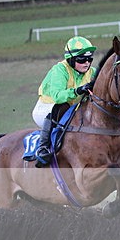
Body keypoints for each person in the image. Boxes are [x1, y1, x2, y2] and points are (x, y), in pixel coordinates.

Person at [31, 36, 97, 166]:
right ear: (70, 59)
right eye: (82, 59)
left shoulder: (92, 72)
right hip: (47, 108)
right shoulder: (59, 70)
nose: (87, 63)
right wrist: (78, 90)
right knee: (59, 107)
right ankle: (43, 148)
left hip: (71, 109)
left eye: (89, 59)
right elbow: (57, 97)